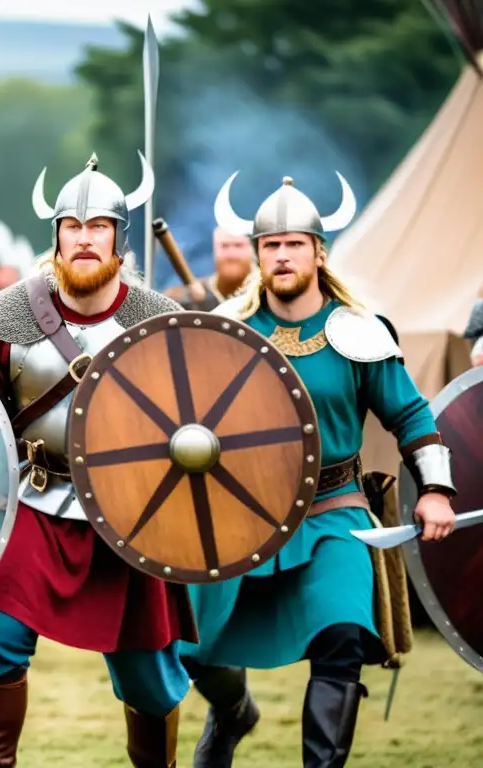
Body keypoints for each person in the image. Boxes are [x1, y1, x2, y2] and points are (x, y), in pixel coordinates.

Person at [181, 174, 458, 768]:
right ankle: (231, 711)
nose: (281, 255)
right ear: (256, 254)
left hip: (333, 513)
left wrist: (435, 487)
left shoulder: (358, 331)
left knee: (342, 639)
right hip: (238, 517)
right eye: (270, 245)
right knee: (190, 650)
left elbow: (410, 413)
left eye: (294, 244)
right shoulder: (226, 328)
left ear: (318, 252)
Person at [0, 153, 195, 767]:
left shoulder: (157, 319)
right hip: (35, 500)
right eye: (73, 227)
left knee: (148, 673)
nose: (85, 239)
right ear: (56, 237)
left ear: (118, 238)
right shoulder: (8, 315)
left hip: (131, 512)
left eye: (98, 228)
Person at [164, 226, 254, 310]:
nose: (231, 254)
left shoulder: (265, 293)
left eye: (238, 245)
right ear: (214, 251)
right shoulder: (182, 298)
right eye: (224, 246)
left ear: (252, 250)